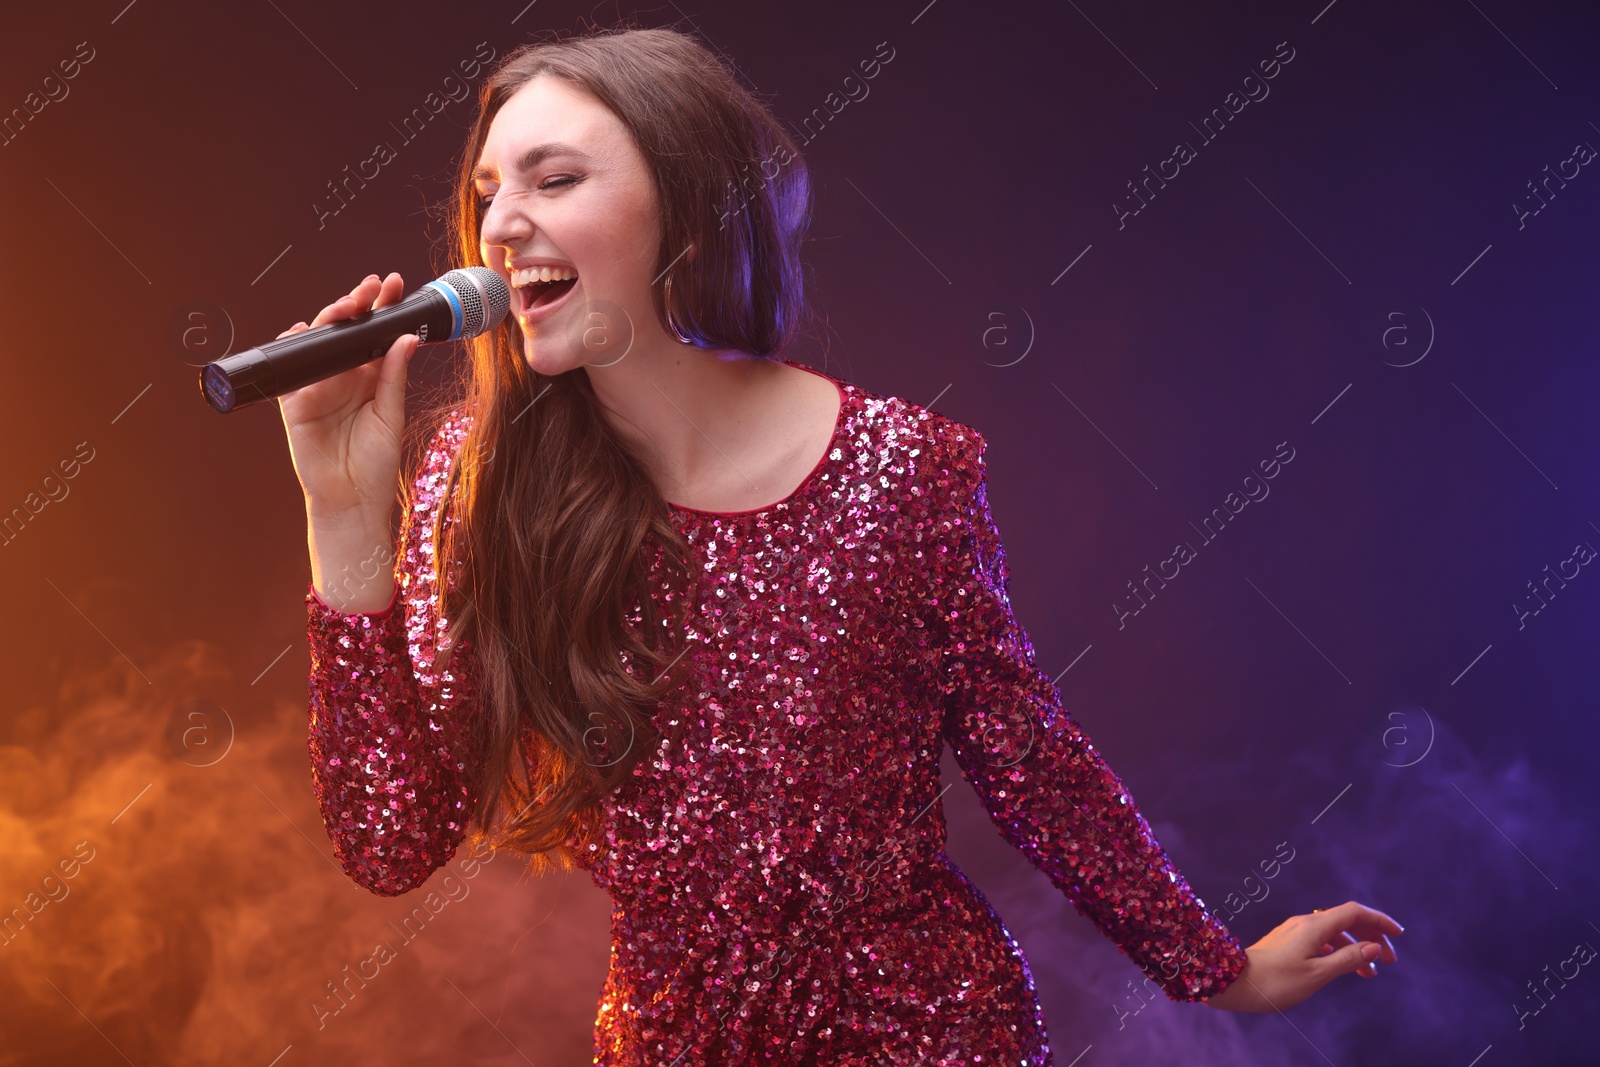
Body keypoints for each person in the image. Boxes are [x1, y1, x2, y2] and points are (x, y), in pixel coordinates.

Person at [277, 24, 1402, 1065]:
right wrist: (341, 509)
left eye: (554, 178)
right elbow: (390, 842)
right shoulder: (471, 490)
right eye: (487, 191)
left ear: (687, 203)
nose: (500, 223)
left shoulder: (905, 468)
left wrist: (1216, 967)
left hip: (935, 1031)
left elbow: (1026, 754)